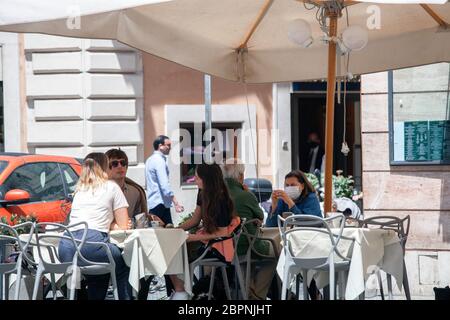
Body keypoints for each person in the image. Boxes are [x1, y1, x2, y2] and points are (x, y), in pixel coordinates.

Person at [58, 152, 132, 300]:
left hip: (66, 248)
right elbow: (125, 225)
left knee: (98, 271)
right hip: (92, 245)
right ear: (105, 167)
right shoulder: (111, 187)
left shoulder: (79, 190)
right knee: (124, 263)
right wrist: (113, 224)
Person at [170, 163, 239, 300]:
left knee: (174, 251)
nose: (194, 180)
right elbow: (195, 220)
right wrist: (175, 230)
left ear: (206, 179)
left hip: (218, 248)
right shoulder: (202, 193)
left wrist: (191, 237)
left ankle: (181, 292)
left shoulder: (220, 200)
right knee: (172, 248)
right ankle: (180, 291)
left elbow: (222, 233)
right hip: (208, 242)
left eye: (197, 177)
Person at [105, 148, 163, 300]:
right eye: (114, 164)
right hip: (106, 241)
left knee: (154, 257)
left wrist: (150, 219)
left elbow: (140, 218)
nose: (120, 167)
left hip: (129, 240)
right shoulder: (100, 190)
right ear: (106, 168)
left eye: (123, 163)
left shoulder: (135, 191)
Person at [221, 162, 278, 300]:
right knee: (276, 255)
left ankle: (249, 291)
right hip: (245, 245)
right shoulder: (245, 195)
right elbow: (260, 216)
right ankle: (257, 295)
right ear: (240, 176)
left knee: (248, 260)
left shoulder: (216, 194)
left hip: (221, 246)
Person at [145, 135, 184, 225]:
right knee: (166, 234)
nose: (170, 148)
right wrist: (176, 203)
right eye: (168, 145)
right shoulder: (159, 161)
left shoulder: (149, 160)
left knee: (165, 232)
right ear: (160, 146)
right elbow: (164, 185)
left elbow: (147, 183)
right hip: (160, 203)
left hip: (155, 202)